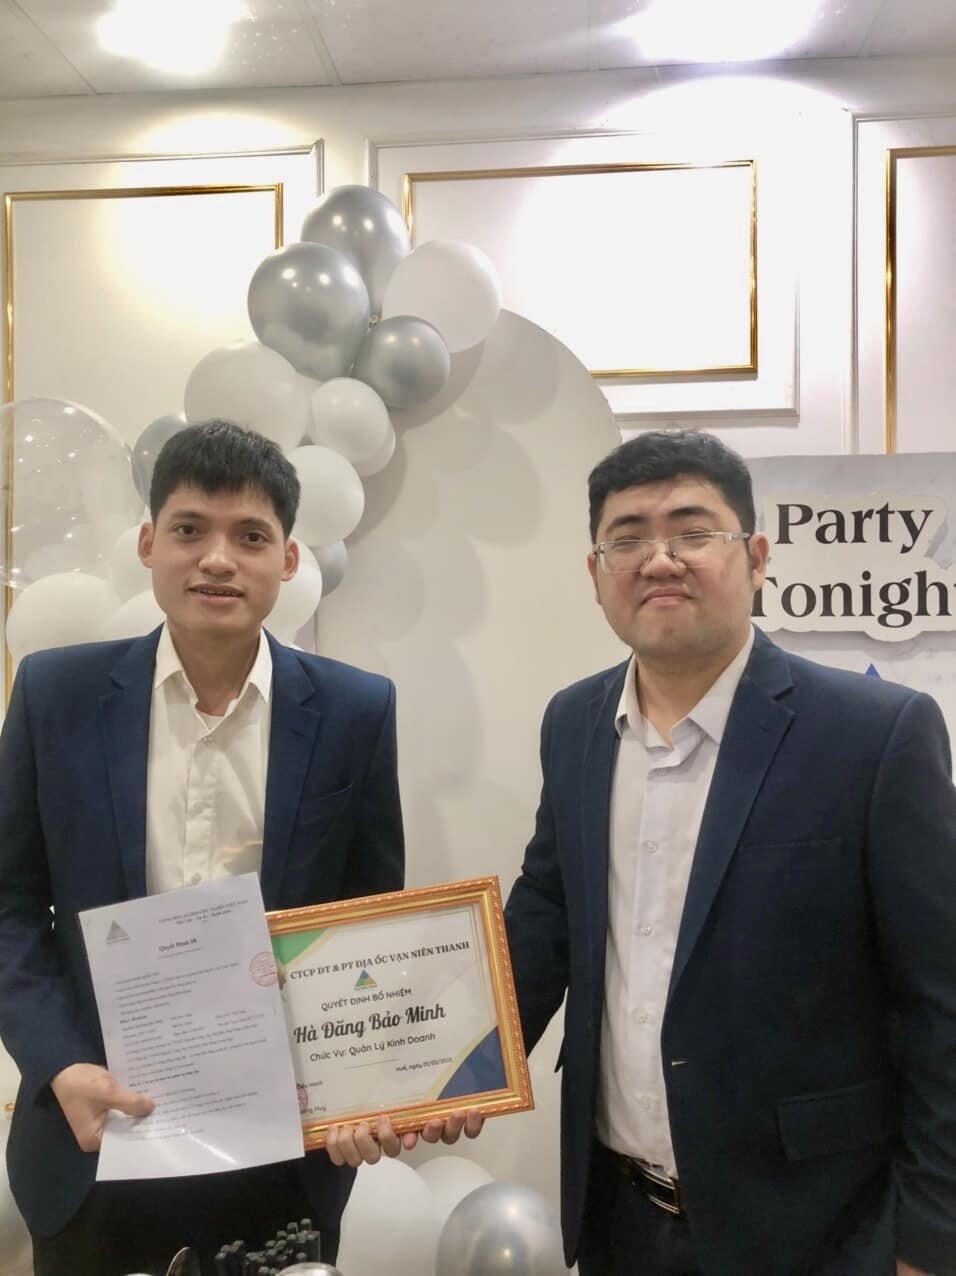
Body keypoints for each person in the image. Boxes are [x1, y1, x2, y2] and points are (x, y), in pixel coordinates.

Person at [504, 429, 956, 1276]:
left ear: (755, 557)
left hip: (816, 1228)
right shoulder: (574, 723)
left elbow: (943, 999)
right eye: (628, 538)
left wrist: (930, 1243)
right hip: (619, 1220)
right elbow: (548, 912)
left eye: (692, 530)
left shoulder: (877, 735)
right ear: (596, 572)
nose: (659, 559)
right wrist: (440, 1076)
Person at [0, 420, 422, 1275]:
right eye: (190, 529)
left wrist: (368, 1084)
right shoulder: (54, 694)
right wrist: (59, 1063)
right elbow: (7, 905)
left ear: (289, 560)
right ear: (149, 544)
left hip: (280, 1152)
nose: (218, 560)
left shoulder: (355, 711)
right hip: (97, 1134)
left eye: (251, 536)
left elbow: (364, 921)